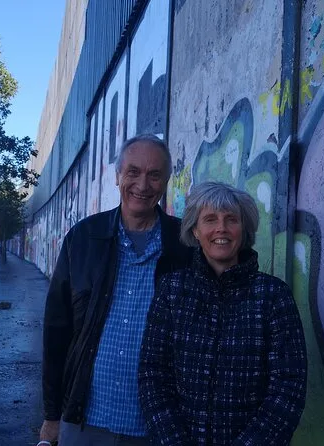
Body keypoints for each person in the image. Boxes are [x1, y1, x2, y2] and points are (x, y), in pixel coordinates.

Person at [38, 134, 192, 446]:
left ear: (166, 181)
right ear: (117, 176)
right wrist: (52, 414)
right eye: (133, 172)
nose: (143, 185)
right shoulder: (83, 239)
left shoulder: (185, 245)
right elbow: (57, 331)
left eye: (154, 174)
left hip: (159, 426)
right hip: (85, 421)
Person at [138, 181, 307, 445]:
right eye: (210, 219)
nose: (221, 228)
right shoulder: (172, 291)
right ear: (195, 230)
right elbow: (153, 375)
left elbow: (288, 388)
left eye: (231, 219)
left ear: (244, 229)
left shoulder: (274, 296)